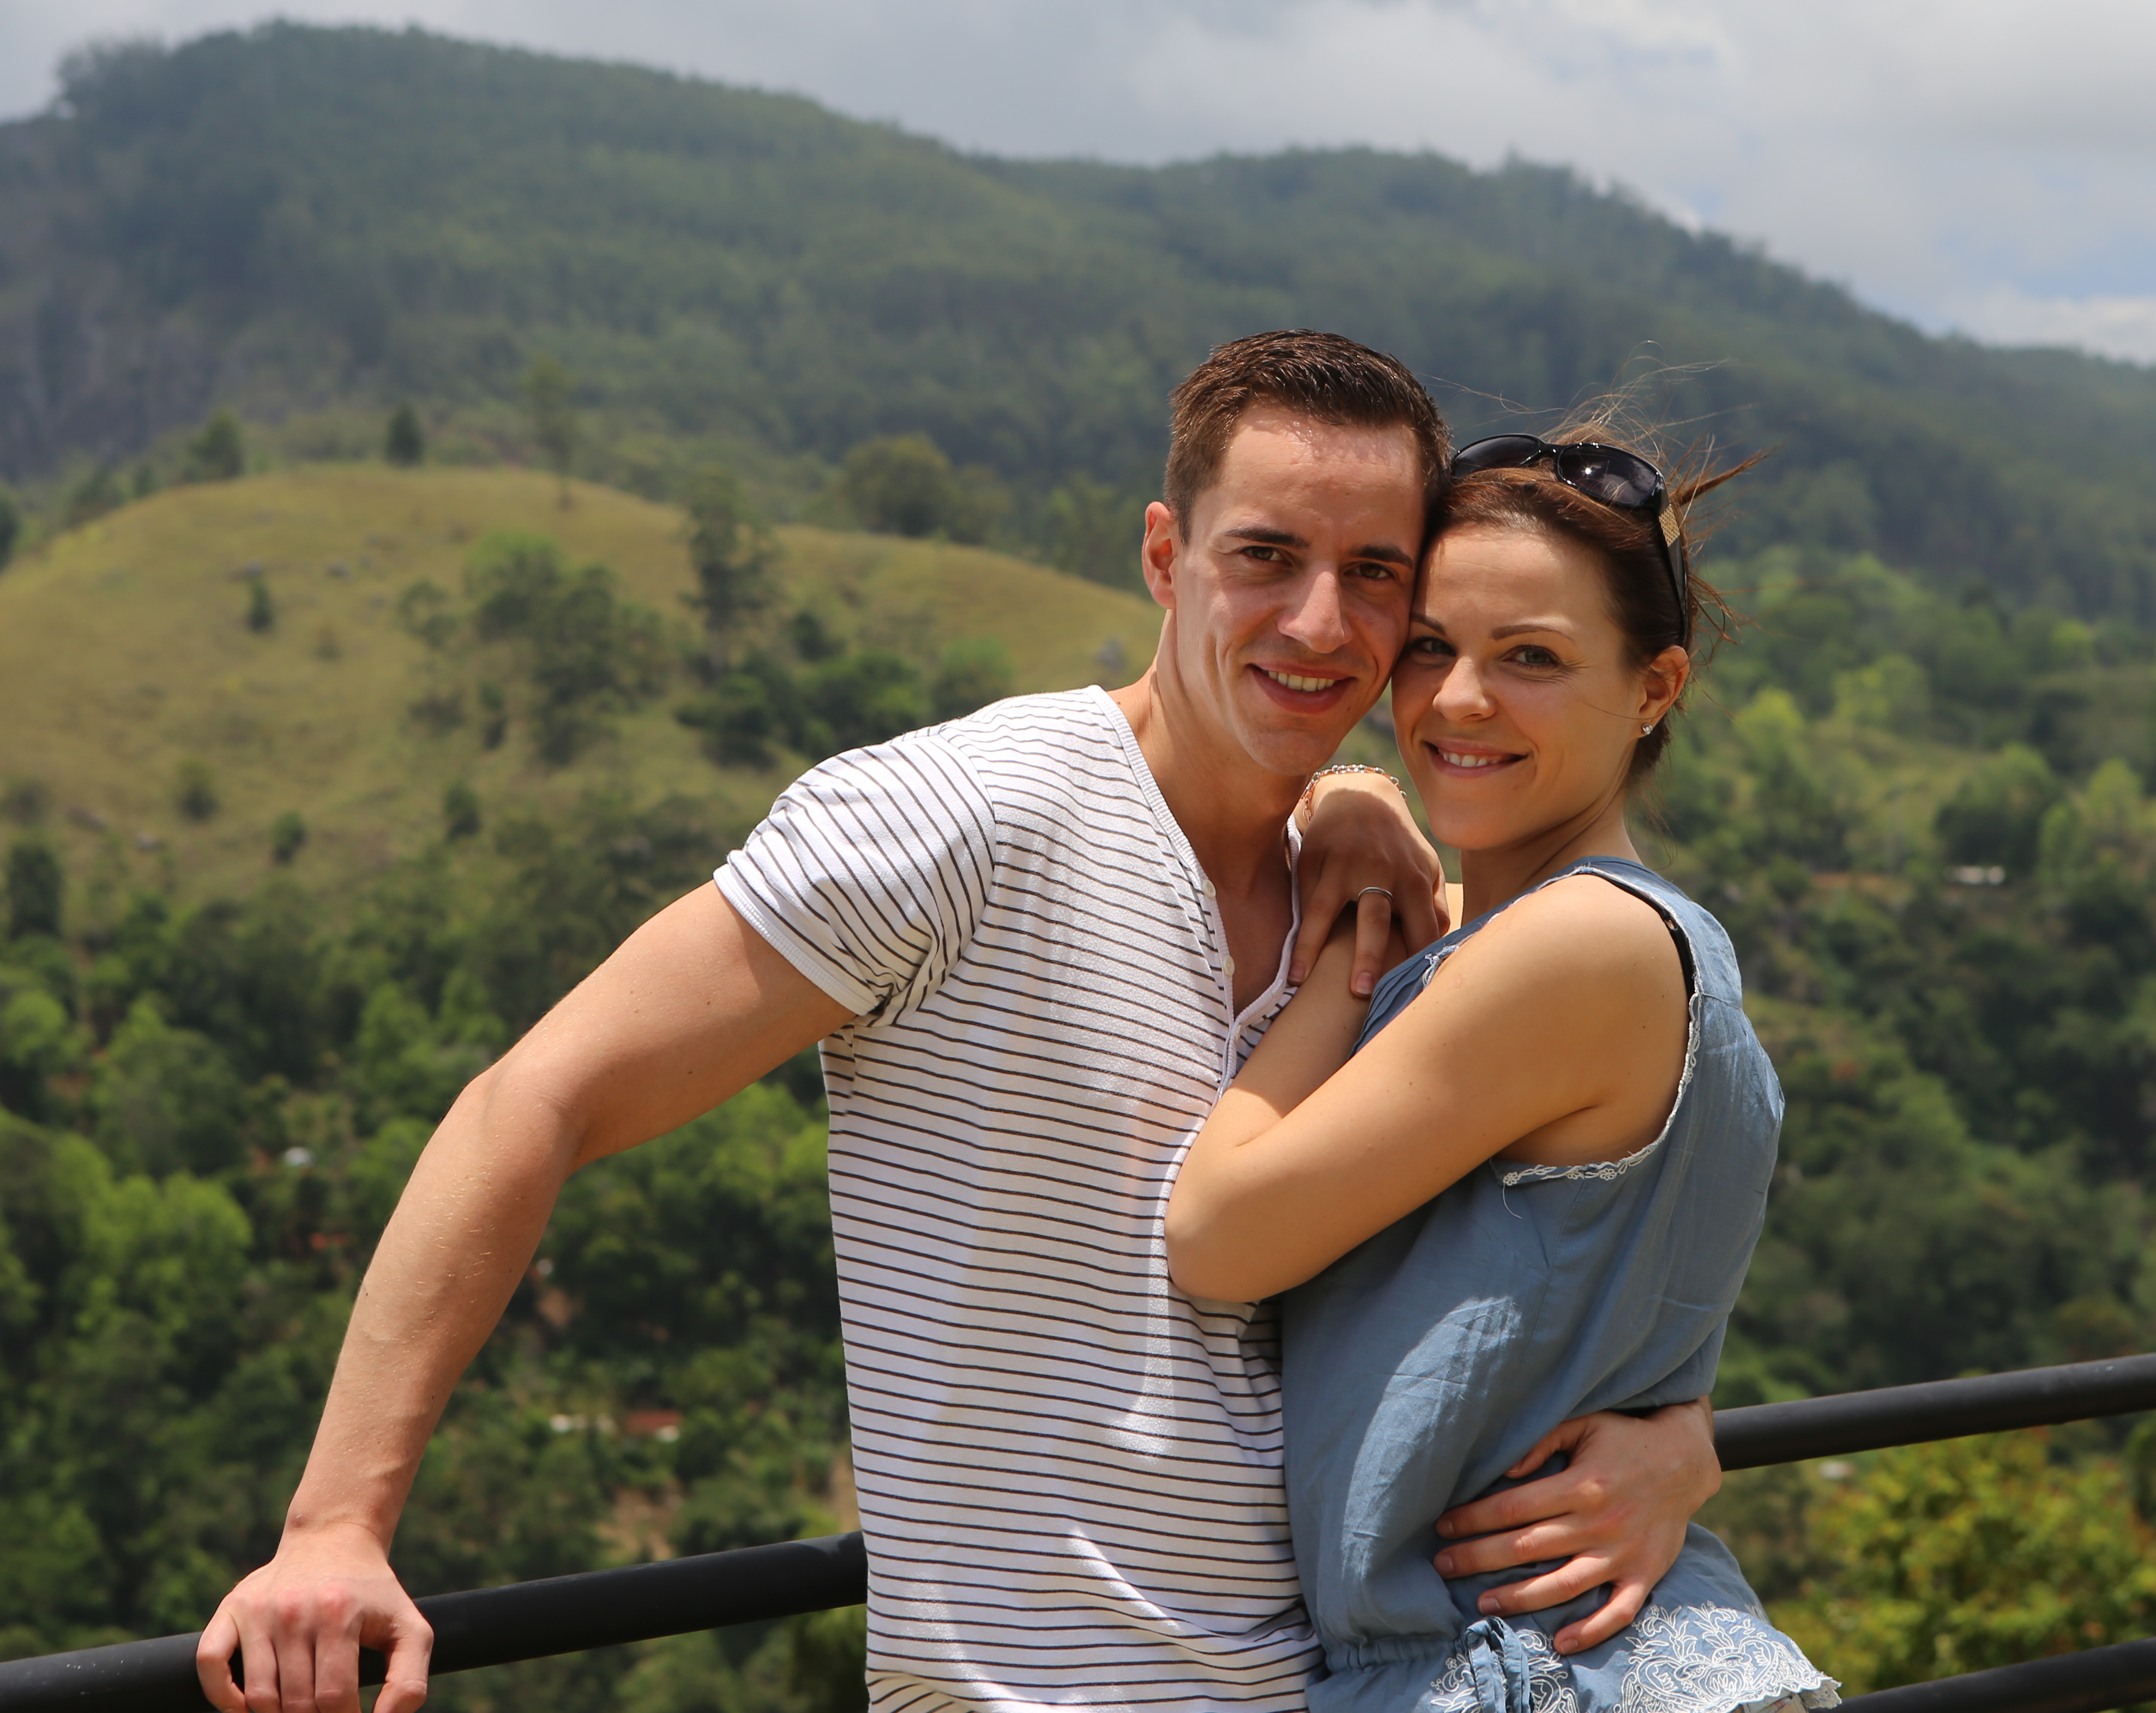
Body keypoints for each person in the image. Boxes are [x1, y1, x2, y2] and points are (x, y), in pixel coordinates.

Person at [197, 334, 1725, 1713]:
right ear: (1165, 556)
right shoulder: (962, 820)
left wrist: (1684, 1434)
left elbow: (1533, 1260)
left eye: (1376, 574)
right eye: (1266, 555)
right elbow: (540, 1097)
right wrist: (336, 1524)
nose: (1321, 622)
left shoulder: (1395, 917)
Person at [1169, 424, 1835, 1713]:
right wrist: (1359, 799)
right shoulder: (1611, 941)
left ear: (1655, 687)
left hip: (1536, 1666)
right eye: (1430, 648)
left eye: (1531, 657)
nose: (1459, 701)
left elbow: (1217, 1234)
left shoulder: (1577, 948)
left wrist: (1350, 940)